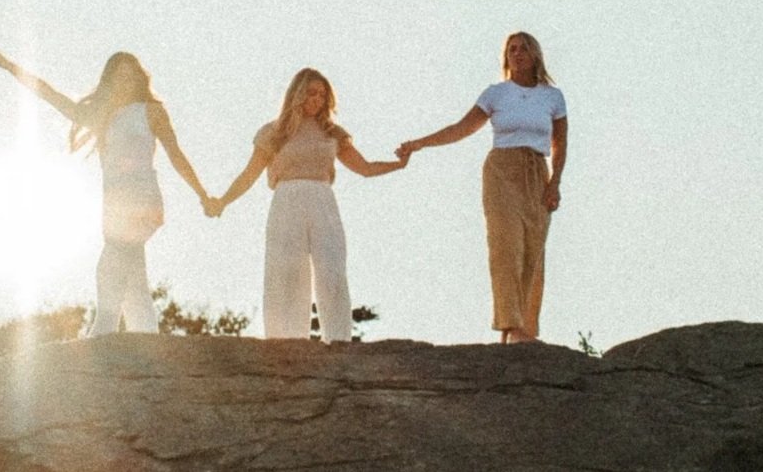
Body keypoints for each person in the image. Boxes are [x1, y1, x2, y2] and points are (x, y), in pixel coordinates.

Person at [0, 50, 213, 335]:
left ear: (140, 78)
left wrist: (202, 193)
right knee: (134, 281)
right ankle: (147, 341)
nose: (126, 82)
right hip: (114, 204)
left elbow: (176, 155)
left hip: (142, 198)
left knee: (109, 268)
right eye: (119, 77)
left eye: (131, 75)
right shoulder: (102, 117)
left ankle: (101, 335)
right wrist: (12, 67)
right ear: (110, 81)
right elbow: (53, 97)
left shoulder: (151, 112)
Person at [209, 68, 406, 343]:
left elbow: (365, 168)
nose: (317, 100)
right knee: (286, 272)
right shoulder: (273, 132)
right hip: (286, 200)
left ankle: (338, 340)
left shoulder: (333, 133)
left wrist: (398, 164)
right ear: (297, 94)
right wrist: (222, 201)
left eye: (323, 95)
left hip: (323, 200)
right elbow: (248, 175)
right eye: (312, 93)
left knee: (332, 268)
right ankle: (285, 343)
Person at [397, 32, 568, 344]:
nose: (517, 54)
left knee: (534, 250)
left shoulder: (552, 97)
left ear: (535, 55)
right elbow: (461, 128)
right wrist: (420, 144)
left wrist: (555, 183)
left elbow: (560, 144)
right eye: (511, 49)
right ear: (506, 58)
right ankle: (510, 325)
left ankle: (525, 330)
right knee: (507, 248)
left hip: (536, 172)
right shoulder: (496, 94)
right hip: (502, 170)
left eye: (523, 49)